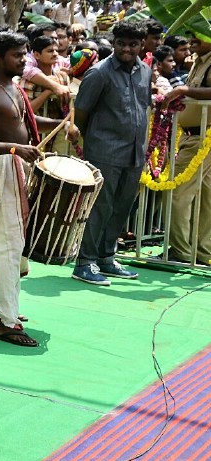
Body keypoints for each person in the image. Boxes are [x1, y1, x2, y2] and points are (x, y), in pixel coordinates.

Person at [0, 32, 77, 346]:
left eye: (23, 54)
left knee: (12, 242)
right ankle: (5, 321)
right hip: (1, 166)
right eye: (17, 55)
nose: (23, 60)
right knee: (8, 242)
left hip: (14, 163)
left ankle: (0, 307)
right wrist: (16, 150)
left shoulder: (14, 89)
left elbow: (23, 123)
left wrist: (61, 123)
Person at [70, 20, 151, 284]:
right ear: (114, 43)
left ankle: (106, 258)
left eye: (133, 44)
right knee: (100, 207)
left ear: (141, 45)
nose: (127, 49)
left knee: (121, 207)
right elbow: (81, 112)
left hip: (134, 153)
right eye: (121, 43)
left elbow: (143, 106)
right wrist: (91, 140)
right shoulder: (100, 73)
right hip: (104, 151)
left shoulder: (145, 71)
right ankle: (85, 262)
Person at [166, 35, 211, 264]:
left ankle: (184, 252)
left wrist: (185, 90)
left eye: (199, 34)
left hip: (203, 138)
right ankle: (200, 251)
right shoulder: (199, 60)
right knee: (203, 196)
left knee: (179, 193)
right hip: (195, 136)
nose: (192, 39)